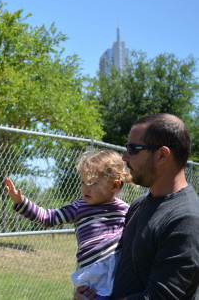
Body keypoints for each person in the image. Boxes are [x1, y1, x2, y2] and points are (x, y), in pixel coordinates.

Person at [75, 113, 199, 299]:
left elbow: (159, 296)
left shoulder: (186, 218)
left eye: (133, 149)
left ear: (162, 155)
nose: (124, 157)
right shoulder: (139, 204)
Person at [6, 150, 131, 299]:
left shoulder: (126, 210)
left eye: (92, 183)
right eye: (83, 182)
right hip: (92, 274)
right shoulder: (80, 206)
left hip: (119, 270)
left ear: (115, 186)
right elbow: (48, 218)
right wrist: (22, 203)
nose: (85, 188)